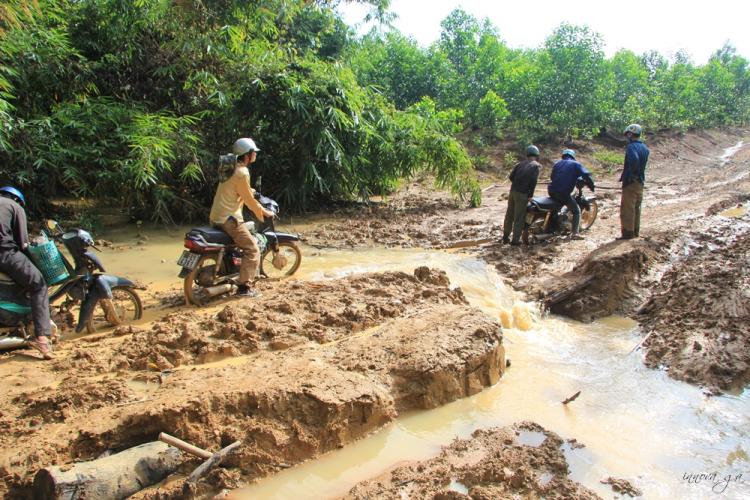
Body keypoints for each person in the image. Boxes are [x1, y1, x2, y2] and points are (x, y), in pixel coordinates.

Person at [209, 138, 275, 298]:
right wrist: (263, 212)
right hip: (229, 220)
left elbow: (237, 189)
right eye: (254, 152)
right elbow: (247, 200)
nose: (255, 155)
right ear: (247, 154)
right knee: (252, 250)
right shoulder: (243, 172)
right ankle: (244, 289)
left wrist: (252, 192)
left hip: (216, 217)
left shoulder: (230, 169)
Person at [0, 187, 54, 359]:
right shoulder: (15, 207)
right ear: (17, 199)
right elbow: (22, 243)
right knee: (38, 285)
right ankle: (42, 338)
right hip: (4, 253)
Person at [547, 149, 593, 241]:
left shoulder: (557, 164)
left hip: (552, 191)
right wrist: (591, 186)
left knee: (556, 207)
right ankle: (575, 233)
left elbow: (552, 177)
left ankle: (554, 225)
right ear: (573, 157)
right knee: (576, 211)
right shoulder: (575, 164)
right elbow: (586, 176)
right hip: (563, 193)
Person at [503, 145, 541, 246]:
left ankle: (505, 236)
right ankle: (515, 240)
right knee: (519, 217)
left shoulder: (519, 164)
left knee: (510, 214)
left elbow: (511, 177)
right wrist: (530, 195)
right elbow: (533, 181)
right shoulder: (536, 166)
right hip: (522, 193)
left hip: (513, 191)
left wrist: (518, 182)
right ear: (537, 155)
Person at [618, 124, 649, 240]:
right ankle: (635, 231)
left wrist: (631, 174)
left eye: (627, 135)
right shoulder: (645, 148)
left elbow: (634, 159)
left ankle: (627, 233)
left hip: (631, 182)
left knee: (628, 208)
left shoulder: (631, 147)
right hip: (640, 182)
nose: (627, 137)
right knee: (637, 207)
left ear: (631, 134)